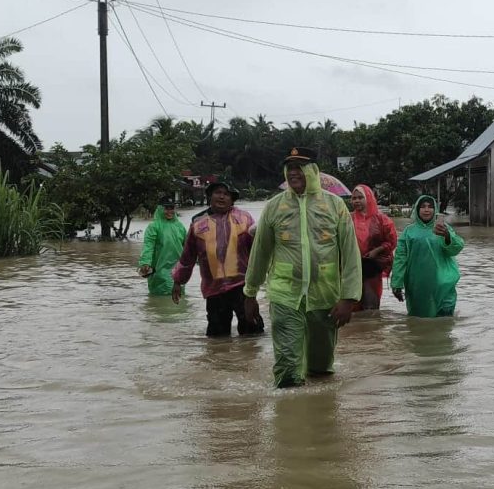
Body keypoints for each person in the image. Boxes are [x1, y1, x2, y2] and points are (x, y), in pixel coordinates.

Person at [244, 147, 362, 388]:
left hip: (325, 296)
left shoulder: (335, 206)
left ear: (313, 170)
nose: (293, 172)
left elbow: (350, 254)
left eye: (300, 167)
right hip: (285, 294)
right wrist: (250, 292)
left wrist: (349, 298)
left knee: (321, 370)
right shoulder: (274, 207)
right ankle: (288, 419)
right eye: (290, 167)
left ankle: (319, 420)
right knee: (288, 371)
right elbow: (261, 251)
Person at [172, 181, 265, 337]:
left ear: (232, 199)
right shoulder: (198, 223)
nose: (222, 197)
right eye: (218, 193)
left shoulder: (244, 219)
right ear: (210, 196)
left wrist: (262, 279)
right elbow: (188, 256)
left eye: (226, 194)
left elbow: (259, 250)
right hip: (214, 289)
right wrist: (178, 281)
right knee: (217, 339)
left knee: (253, 333)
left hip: (243, 286)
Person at [390, 195, 465, 318]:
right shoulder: (409, 232)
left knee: (445, 320)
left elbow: (456, 248)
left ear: (435, 210)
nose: (426, 210)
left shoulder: (443, 229)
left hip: (443, 282)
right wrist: (397, 283)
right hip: (418, 284)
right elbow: (400, 258)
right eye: (423, 207)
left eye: (430, 207)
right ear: (417, 209)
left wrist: (447, 236)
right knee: (420, 320)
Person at [349, 184, 398, 310]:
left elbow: (391, 241)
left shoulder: (382, 220)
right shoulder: (347, 219)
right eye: (354, 198)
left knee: (371, 307)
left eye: (360, 197)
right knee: (352, 305)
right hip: (351, 268)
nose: (357, 201)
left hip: (372, 266)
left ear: (369, 198)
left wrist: (377, 251)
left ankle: (372, 329)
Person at [138, 196, 187, 296]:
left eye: (171, 208)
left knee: (179, 302)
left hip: (178, 271)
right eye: (166, 208)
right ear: (160, 209)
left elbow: (188, 247)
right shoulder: (154, 226)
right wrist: (145, 262)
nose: (169, 211)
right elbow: (148, 246)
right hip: (160, 270)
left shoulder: (180, 226)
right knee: (163, 298)